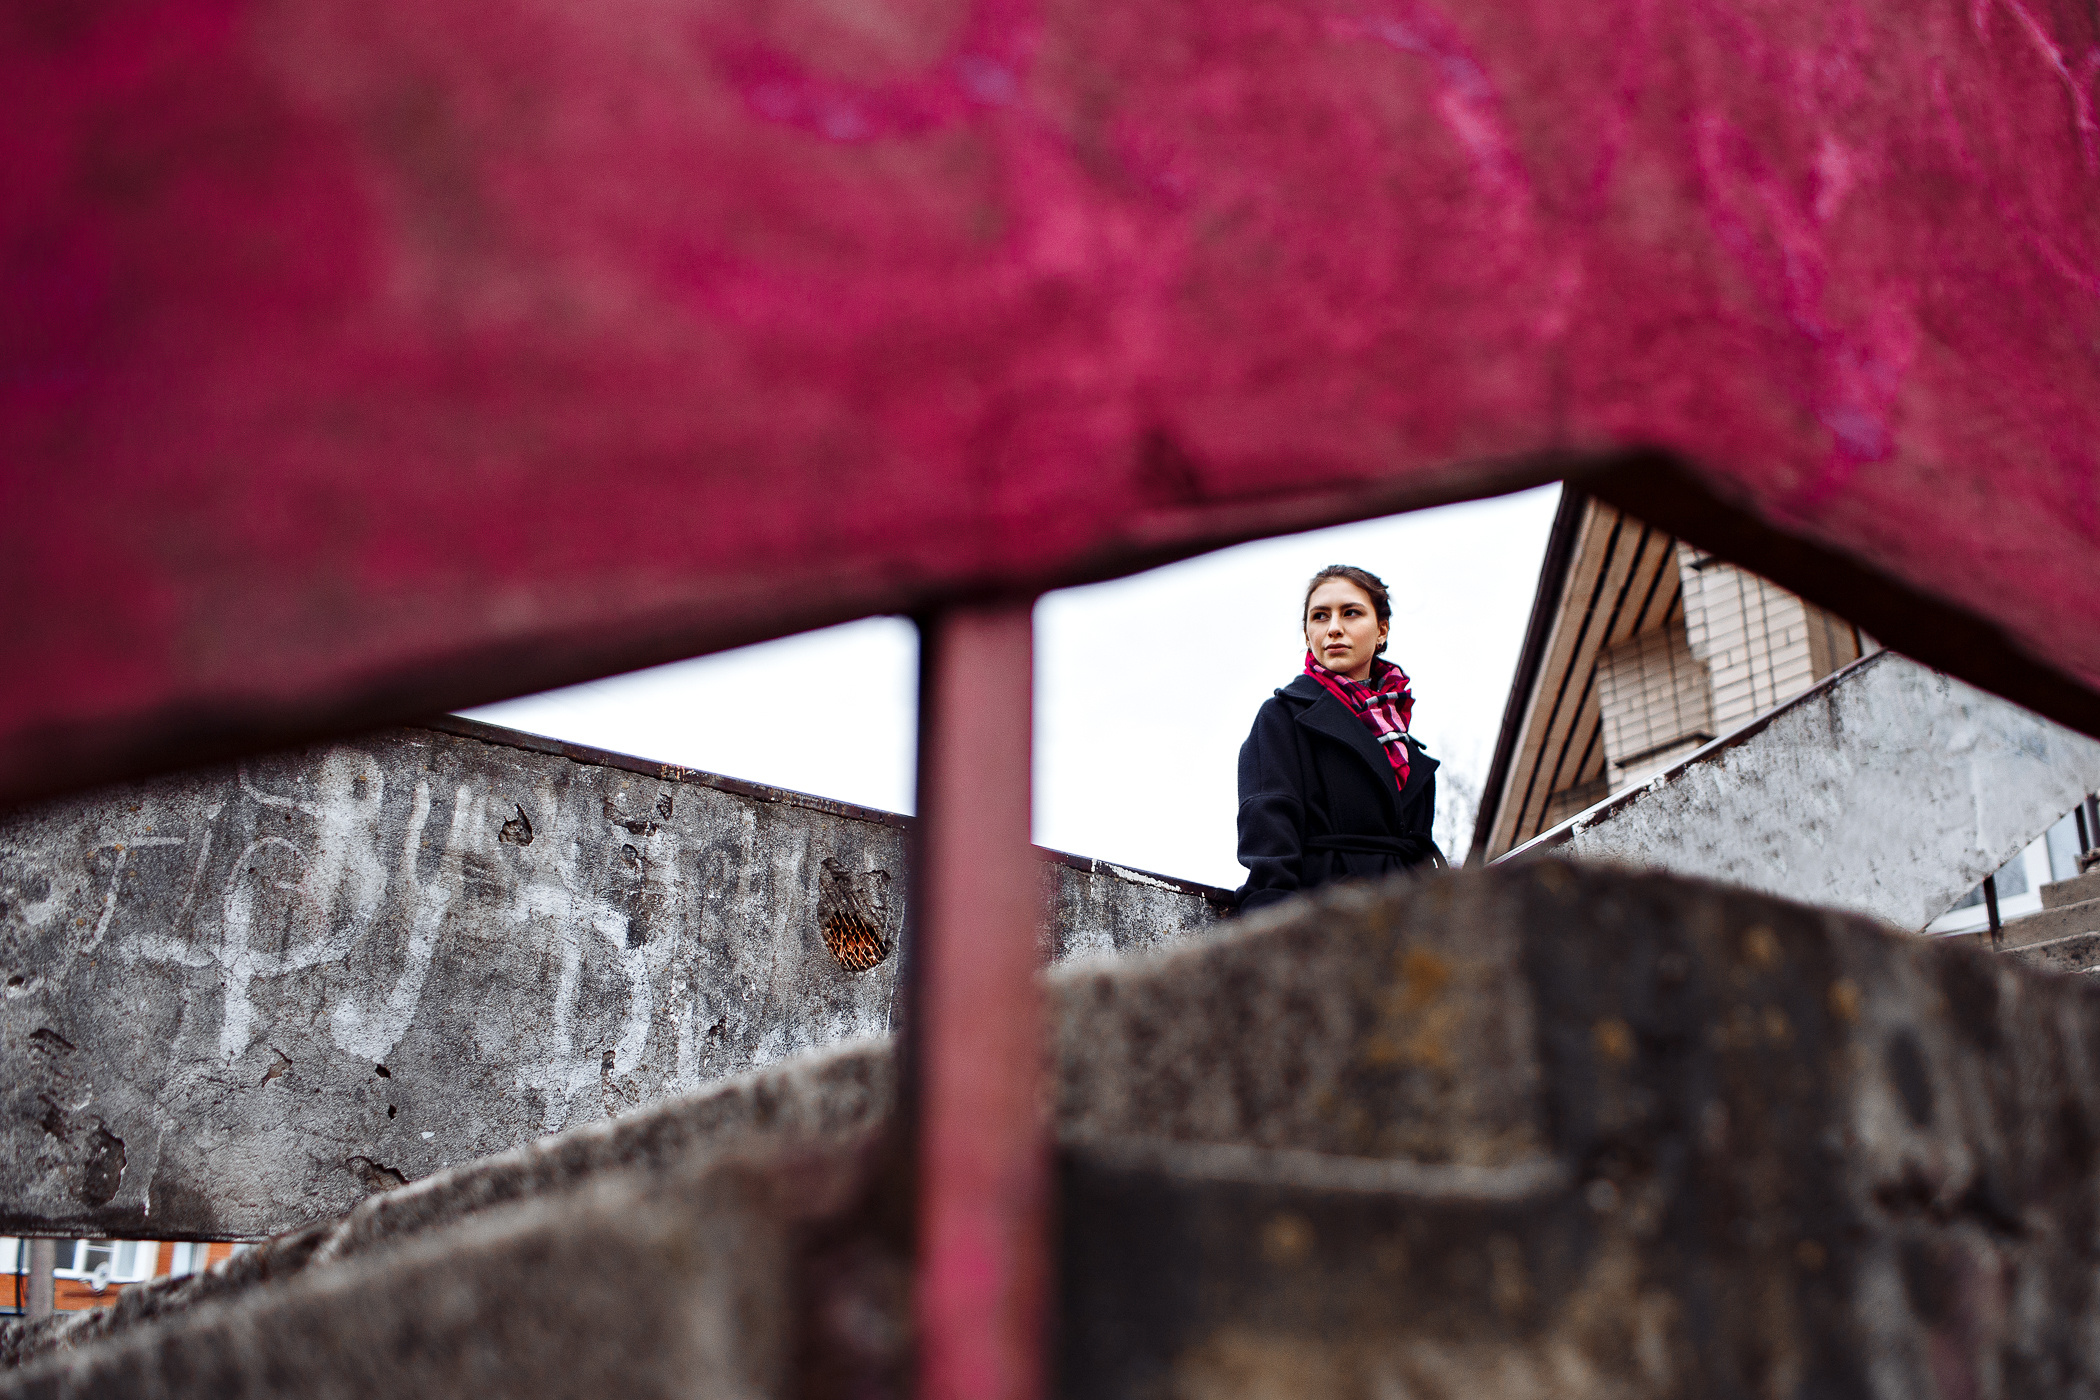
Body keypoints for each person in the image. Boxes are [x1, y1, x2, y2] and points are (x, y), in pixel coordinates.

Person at [1234, 564, 1443, 913]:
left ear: (1381, 630)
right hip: (1332, 923)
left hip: (1417, 925)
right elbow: (1267, 838)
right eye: (1319, 616)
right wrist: (1275, 935)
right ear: (1306, 635)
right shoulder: (1282, 717)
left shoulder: (1404, 742)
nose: (1333, 628)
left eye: (1351, 613)